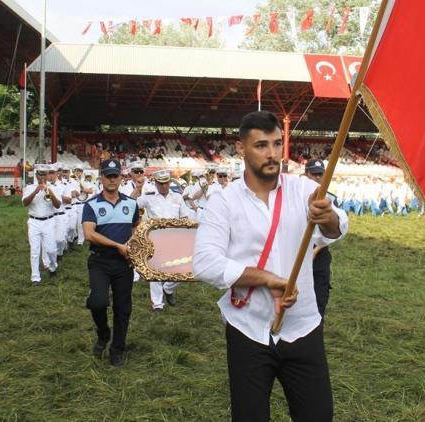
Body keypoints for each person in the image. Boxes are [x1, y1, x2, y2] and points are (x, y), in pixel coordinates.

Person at [193, 111, 348, 421]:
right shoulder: (223, 202)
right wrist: (265, 279)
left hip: (302, 326)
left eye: (277, 144)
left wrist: (326, 216)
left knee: (318, 416)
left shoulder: (303, 190)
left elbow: (337, 228)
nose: (272, 153)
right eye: (261, 145)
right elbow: (205, 263)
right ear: (241, 149)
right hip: (247, 328)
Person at [82, 158, 140, 366]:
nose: (112, 180)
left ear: (121, 178)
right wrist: (117, 246)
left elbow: (136, 229)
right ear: (101, 178)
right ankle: (103, 333)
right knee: (97, 302)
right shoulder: (91, 205)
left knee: (123, 308)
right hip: (100, 261)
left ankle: (117, 349)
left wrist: (132, 246)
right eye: (108, 176)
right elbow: (89, 234)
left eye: (116, 176)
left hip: (124, 263)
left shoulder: (131, 204)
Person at [137, 169, 194, 311]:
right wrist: (138, 189)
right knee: (155, 271)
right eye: (160, 183)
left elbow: (185, 216)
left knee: (180, 270)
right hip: (155, 238)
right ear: (155, 183)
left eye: (166, 183)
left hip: (175, 237)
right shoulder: (148, 197)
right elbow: (130, 205)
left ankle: (168, 289)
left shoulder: (177, 197)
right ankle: (157, 304)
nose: (163, 186)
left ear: (170, 182)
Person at [22, 164, 62, 286]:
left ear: (48, 175)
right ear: (36, 175)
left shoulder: (54, 187)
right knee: (34, 250)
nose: (42, 176)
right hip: (34, 222)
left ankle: (52, 267)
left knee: (51, 249)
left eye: (45, 174)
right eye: (40, 174)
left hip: (49, 221)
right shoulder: (29, 187)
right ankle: (35, 278)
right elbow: (24, 203)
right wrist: (35, 191)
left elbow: (58, 205)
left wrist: (48, 191)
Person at [304, 160, 334, 317]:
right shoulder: (296, 197)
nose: (317, 177)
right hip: (299, 253)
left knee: (318, 300)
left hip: (319, 255)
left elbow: (334, 232)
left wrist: (316, 251)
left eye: (320, 174)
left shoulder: (330, 200)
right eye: (313, 174)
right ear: (305, 173)